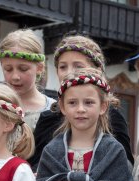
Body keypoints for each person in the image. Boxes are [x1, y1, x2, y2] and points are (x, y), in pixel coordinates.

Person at [29, 34, 132, 170]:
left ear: (97, 71)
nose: (68, 73)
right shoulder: (48, 119)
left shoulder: (112, 118)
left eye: (78, 66)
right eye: (63, 67)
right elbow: (36, 165)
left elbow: (124, 168)